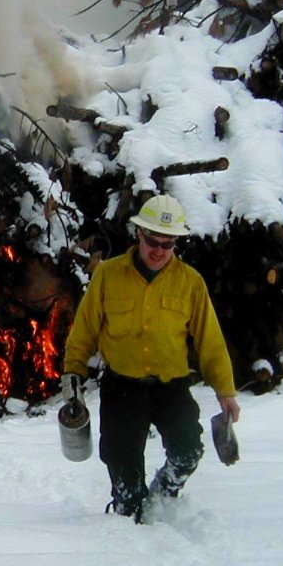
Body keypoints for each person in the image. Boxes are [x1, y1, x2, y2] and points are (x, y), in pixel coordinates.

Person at [61, 194, 241, 522]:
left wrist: (225, 391)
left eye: (168, 244)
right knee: (122, 466)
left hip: (171, 388)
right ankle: (129, 515)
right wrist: (72, 377)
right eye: (153, 241)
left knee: (188, 451)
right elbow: (83, 333)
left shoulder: (190, 283)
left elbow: (210, 341)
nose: (159, 251)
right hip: (122, 387)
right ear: (139, 235)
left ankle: (160, 498)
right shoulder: (107, 275)